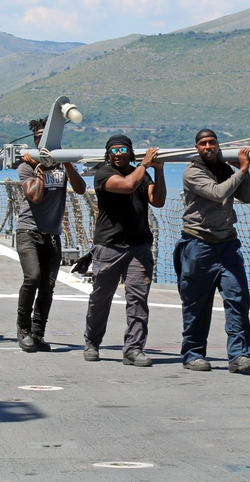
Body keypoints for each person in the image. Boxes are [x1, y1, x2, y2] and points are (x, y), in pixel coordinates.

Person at [173, 129, 250, 373]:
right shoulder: (193, 171)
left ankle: (239, 356)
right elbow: (217, 193)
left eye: (212, 142)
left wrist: (244, 170)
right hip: (198, 244)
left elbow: (248, 197)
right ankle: (193, 354)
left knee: (238, 299)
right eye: (203, 143)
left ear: (218, 145)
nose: (208, 147)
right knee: (197, 304)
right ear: (197, 147)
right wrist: (241, 170)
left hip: (228, 244)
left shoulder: (226, 170)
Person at [84, 134, 166, 367]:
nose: (118, 155)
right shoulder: (103, 174)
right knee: (100, 298)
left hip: (138, 246)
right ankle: (92, 341)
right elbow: (128, 185)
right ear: (108, 154)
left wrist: (158, 171)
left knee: (138, 300)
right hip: (109, 246)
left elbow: (157, 200)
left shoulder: (143, 173)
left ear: (130, 152)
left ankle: (133, 348)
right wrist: (144, 164)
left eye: (123, 150)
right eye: (114, 151)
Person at [14, 118, 87, 352]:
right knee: (32, 277)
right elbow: (34, 197)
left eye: (45, 138)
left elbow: (80, 188)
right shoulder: (27, 166)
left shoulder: (62, 166)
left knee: (48, 285)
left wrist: (65, 162)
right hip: (29, 230)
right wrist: (42, 167)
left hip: (52, 233)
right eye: (37, 138)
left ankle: (38, 333)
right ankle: (23, 330)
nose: (40, 142)